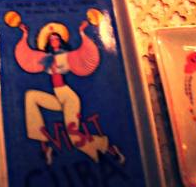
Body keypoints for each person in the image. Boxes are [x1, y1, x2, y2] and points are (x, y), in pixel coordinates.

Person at [12, 18, 125, 167]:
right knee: (31, 97)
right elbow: (27, 56)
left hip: (69, 97)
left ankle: (108, 148)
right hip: (58, 97)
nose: (54, 40)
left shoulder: (67, 56)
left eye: (56, 38)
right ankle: (44, 147)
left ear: (61, 40)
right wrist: (25, 35)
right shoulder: (45, 59)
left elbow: (85, 54)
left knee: (74, 137)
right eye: (51, 39)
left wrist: (82, 33)